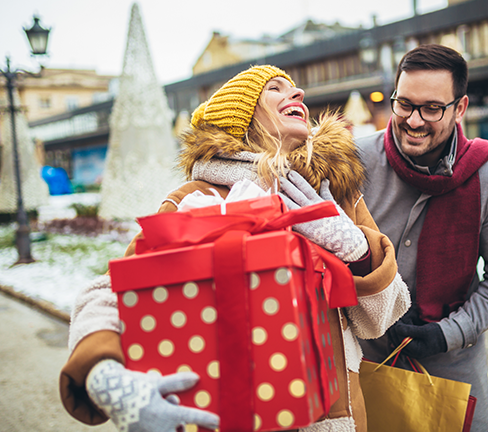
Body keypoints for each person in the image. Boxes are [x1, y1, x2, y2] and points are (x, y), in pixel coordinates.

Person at [59, 65, 411, 432]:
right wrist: (108, 378)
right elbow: (109, 294)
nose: (298, 94)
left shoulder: (331, 193)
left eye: (295, 87)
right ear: (243, 116)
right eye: (275, 88)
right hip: (234, 416)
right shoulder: (198, 200)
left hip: (336, 419)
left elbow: (380, 319)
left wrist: (356, 250)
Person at [356, 44, 488, 432]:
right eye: (405, 104)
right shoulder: (354, 161)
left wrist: (446, 334)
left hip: (451, 367)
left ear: (460, 107)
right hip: (363, 360)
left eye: (432, 108)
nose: (414, 120)